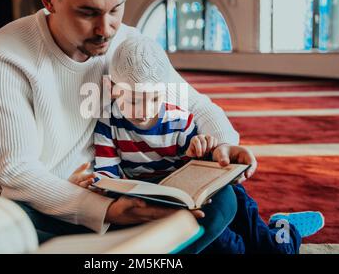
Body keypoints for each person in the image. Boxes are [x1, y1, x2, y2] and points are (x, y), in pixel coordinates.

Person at [0, 0, 257, 250]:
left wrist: (224, 144)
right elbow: (14, 169)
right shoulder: (5, 53)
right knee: (3, 233)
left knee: (221, 199)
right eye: (87, 12)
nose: (106, 29)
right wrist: (106, 212)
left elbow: (197, 106)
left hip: (126, 192)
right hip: (48, 204)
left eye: (116, 9)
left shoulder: (128, 45)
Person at [71, 36, 324, 254]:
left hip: (210, 197)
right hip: (169, 206)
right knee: (232, 249)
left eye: (155, 99)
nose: (146, 112)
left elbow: (199, 166)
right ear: (114, 89)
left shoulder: (179, 120)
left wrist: (200, 149)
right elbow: (108, 173)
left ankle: (284, 225)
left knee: (275, 249)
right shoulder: (108, 124)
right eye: (135, 101)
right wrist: (99, 185)